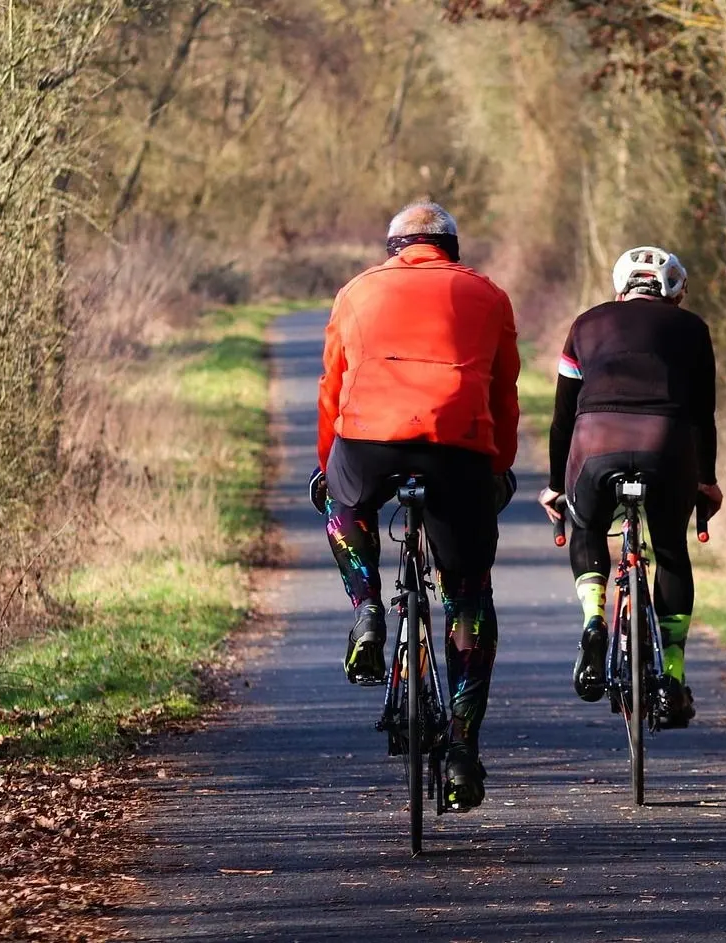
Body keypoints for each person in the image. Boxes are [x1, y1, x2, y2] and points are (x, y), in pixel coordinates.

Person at [312, 202, 520, 809]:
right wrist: (498, 465)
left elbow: (332, 386)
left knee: (344, 507)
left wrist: (332, 467)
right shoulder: (490, 296)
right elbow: (502, 392)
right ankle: (461, 747)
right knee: (468, 594)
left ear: (393, 248)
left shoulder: (356, 292)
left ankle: (369, 608)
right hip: (457, 449)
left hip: (369, 442)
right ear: (451, 248)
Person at [537, 246, 721, 729]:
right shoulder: (694, 329)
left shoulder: (586, 324)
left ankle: (595, 619)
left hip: (597, 443)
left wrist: (557, 486)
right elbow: (703, 416)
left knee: (588, 526)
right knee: (671, 553)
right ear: (675, 292)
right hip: (668, 445)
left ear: (621, 287)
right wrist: (707, 481)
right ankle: (674, 678)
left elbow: (562, 419)